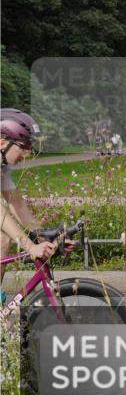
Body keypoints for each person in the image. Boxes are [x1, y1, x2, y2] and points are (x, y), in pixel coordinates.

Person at [1, 109, 58, 303]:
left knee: (3, 240)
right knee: (2, 237)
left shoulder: (2, 166)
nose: (28, 153)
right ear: (2, 142)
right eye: (23, 145)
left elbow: (17, 205)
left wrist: (44, 236)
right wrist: (29, 246)